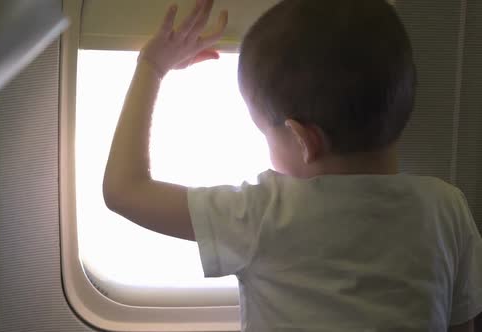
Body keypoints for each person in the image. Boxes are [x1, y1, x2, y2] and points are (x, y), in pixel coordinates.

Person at [102, 0, 482, 330]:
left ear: (304, 140)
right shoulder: (447, 208)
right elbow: (462, 323)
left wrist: (151, 66)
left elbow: (124, 190)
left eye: (263, 132)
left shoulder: (262, 214)